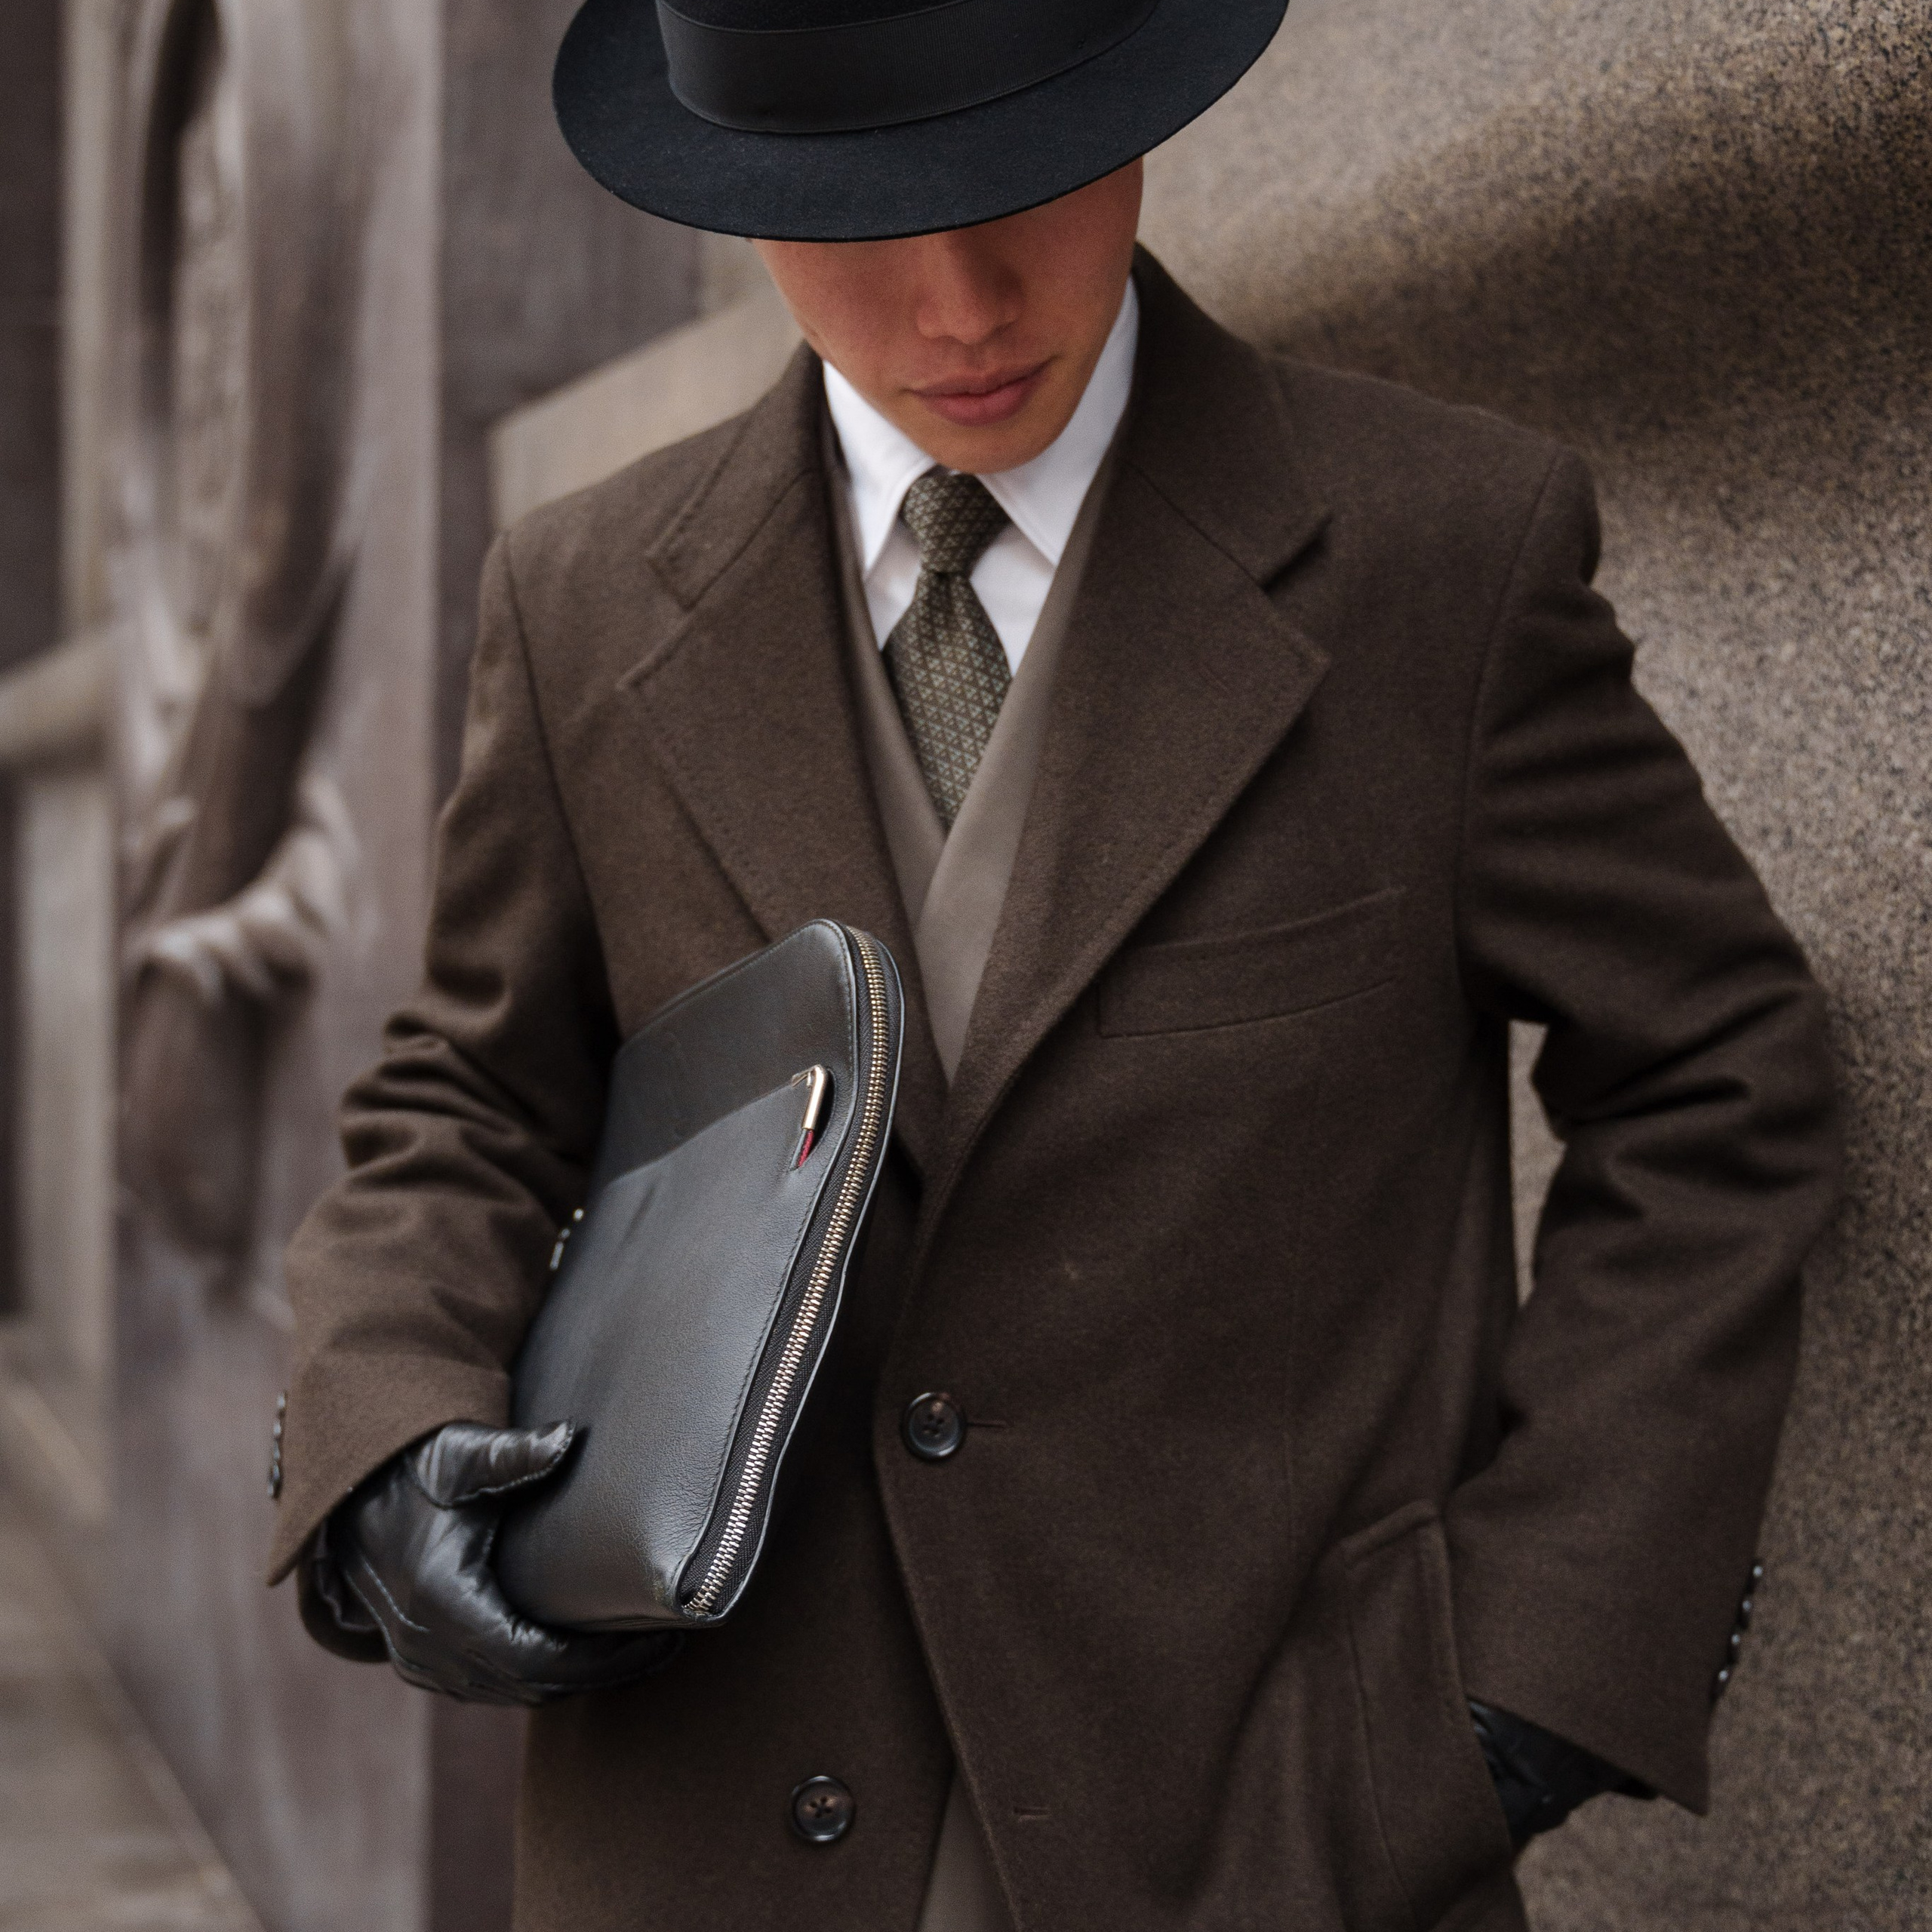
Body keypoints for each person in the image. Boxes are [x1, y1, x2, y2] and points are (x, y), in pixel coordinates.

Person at [268, 2, 1841, 1927]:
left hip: (1273, 1819)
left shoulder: (1441, 550)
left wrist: (1532, 1660)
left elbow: (1717, 1071)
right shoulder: (580, 595)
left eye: (1019, 180)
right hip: (698, 1822)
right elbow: (468, 1095)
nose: (958, 304)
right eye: (855, 214)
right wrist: (387, 1423)